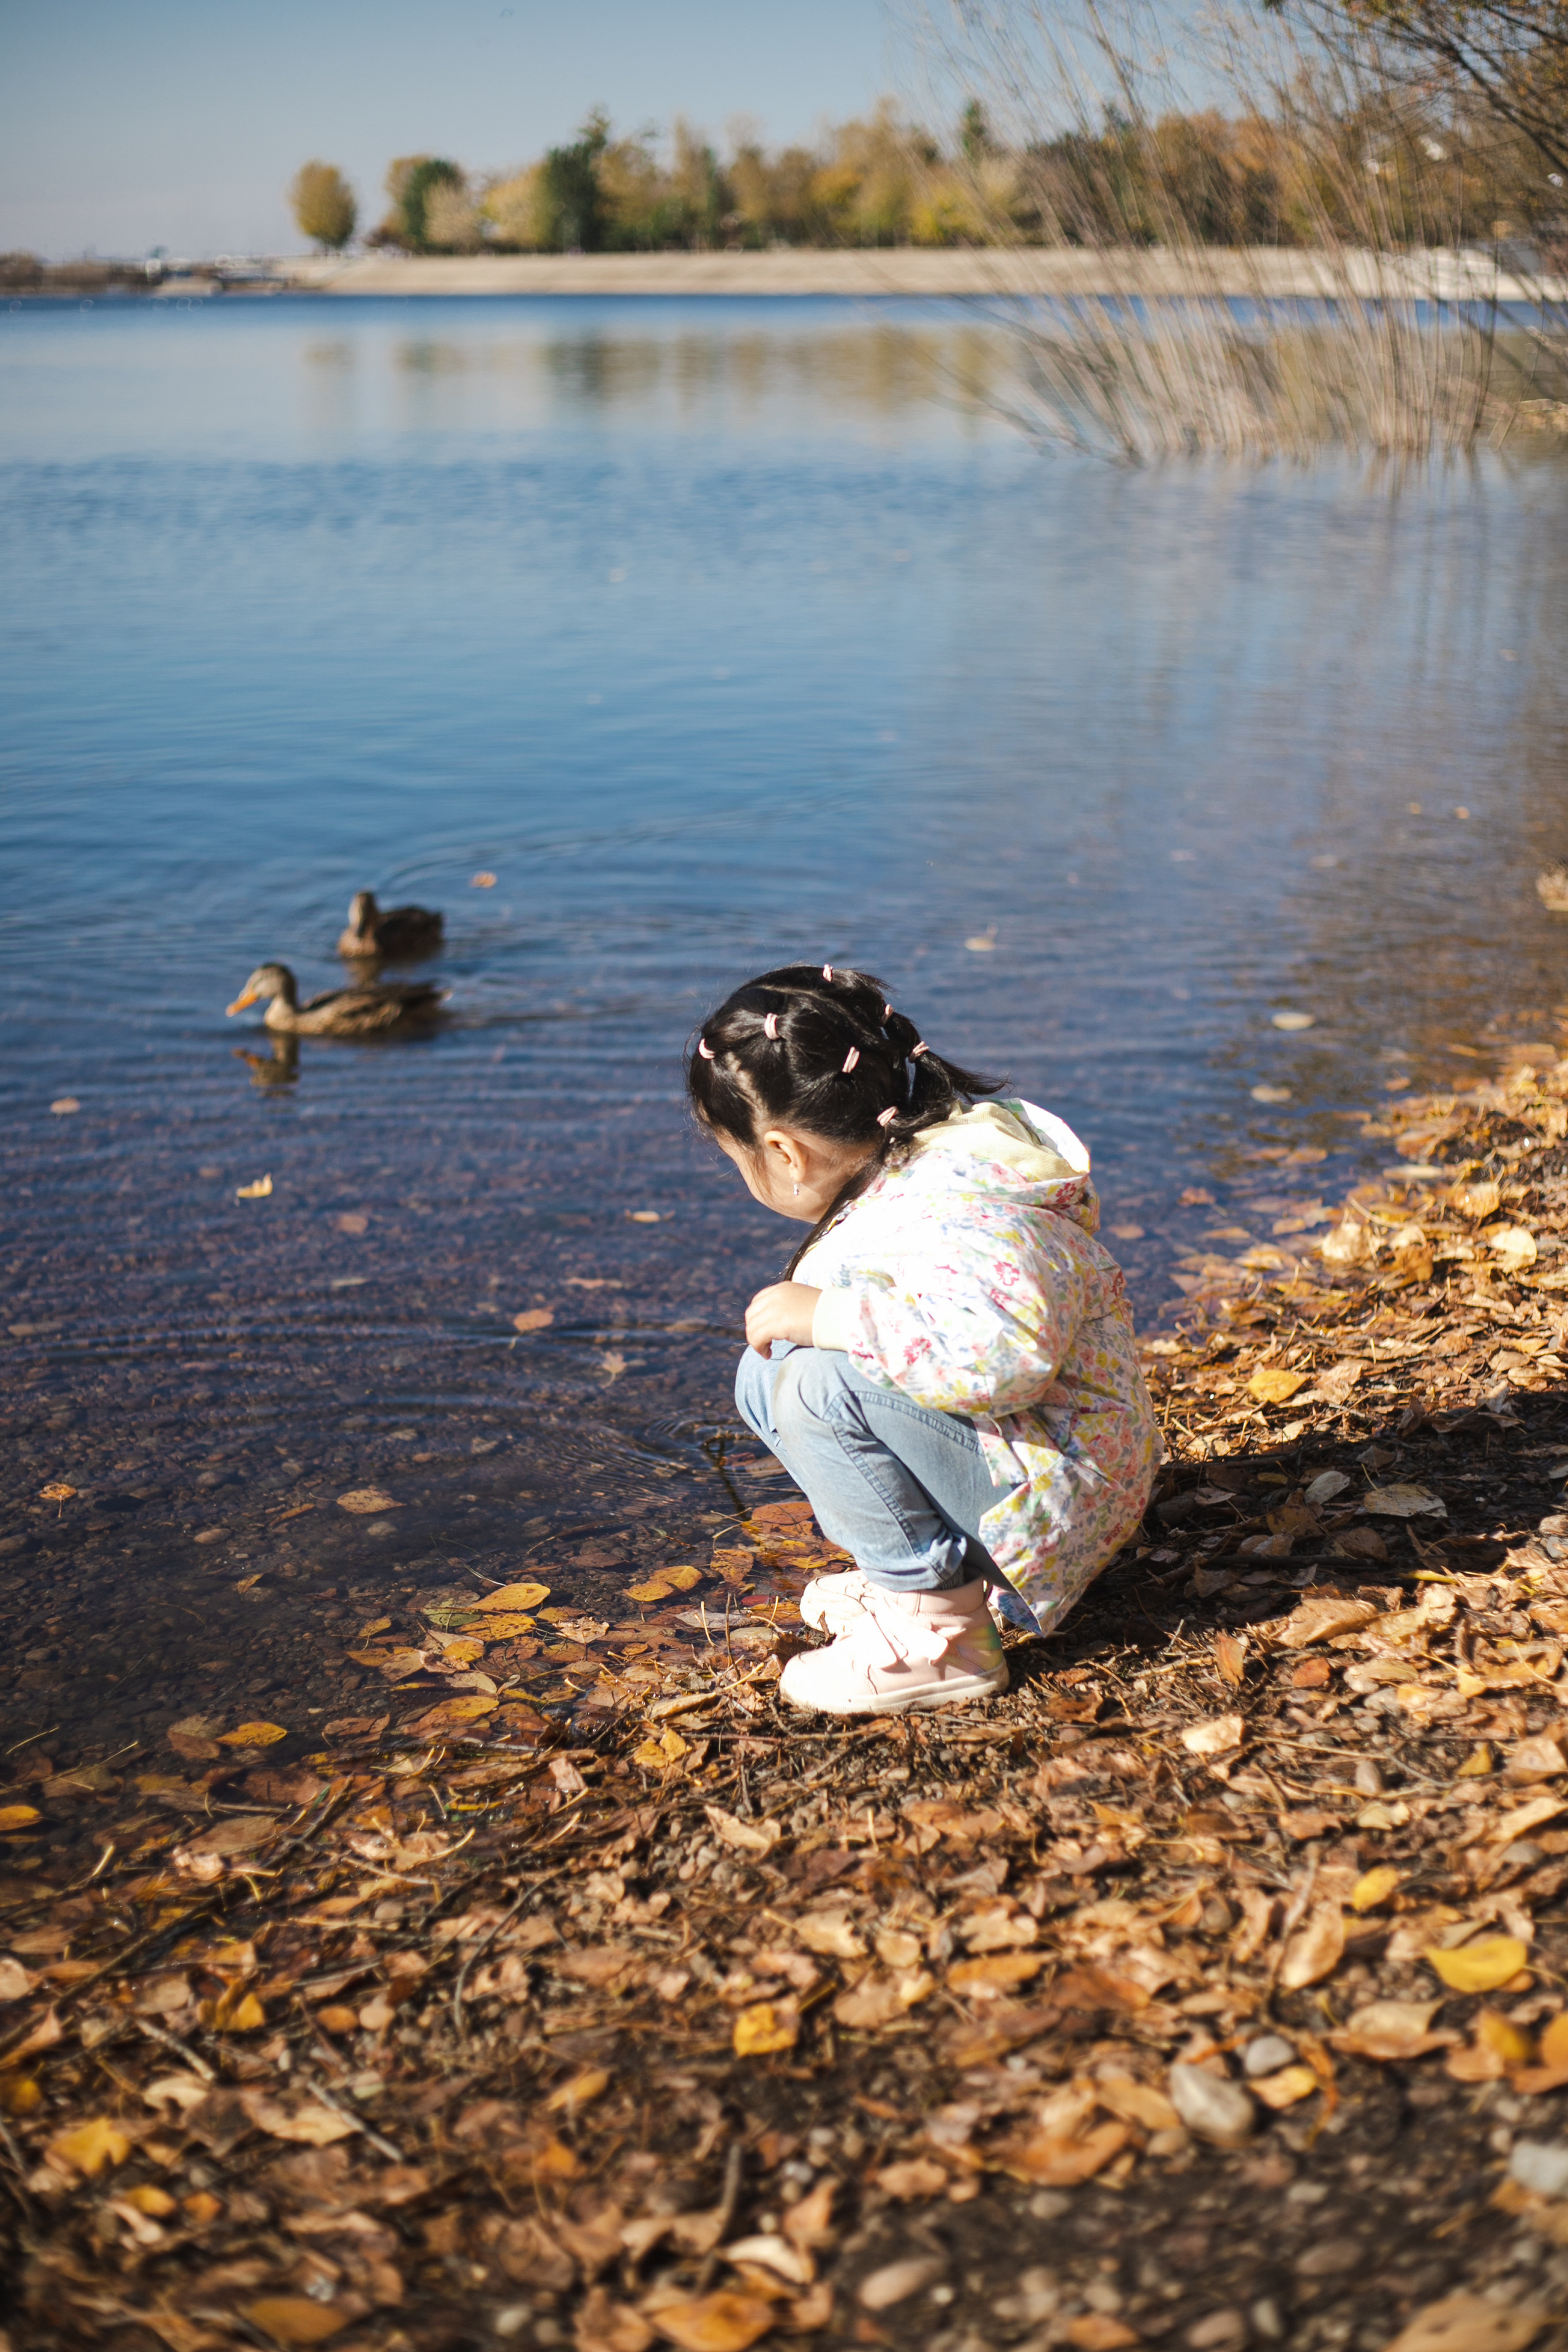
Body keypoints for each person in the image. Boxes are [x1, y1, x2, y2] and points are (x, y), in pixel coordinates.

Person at [686, 961, 1159, 1717]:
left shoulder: (954, 1209)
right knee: (767, 1369)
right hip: (1050, 1470)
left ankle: (942, 1636)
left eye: (735, 1156)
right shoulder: (919, 1161)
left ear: (782, 1151)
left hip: (1062, 1501)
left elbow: (1006, 1360)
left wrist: (833, 1319)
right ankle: (914, 1575)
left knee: (816, 1383)